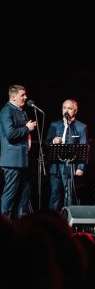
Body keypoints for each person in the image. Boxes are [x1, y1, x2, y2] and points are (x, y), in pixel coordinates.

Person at [0, 85, 37, 219]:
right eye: (22, 95)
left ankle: (22, 222)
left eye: (25, 95)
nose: (25, 97)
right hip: (12, 161)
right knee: (10, 194)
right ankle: (4, 222)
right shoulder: (7, 111)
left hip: (23, 159)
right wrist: (27, 128)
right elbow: (10, 134)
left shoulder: (21, 111)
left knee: (24, 194)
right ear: (14, 97)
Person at [46, 99, 88, 210]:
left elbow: (84, 148)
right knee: (55, 195)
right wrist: (53, 141)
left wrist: (80, 167)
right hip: (55, 166)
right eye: (64, 108)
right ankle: (52, 218)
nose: (66, 110)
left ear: (75, 111)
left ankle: (68, 219)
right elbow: (46, 143)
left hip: (70, 166)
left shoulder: (81, 127)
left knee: (69, 195)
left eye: (69, 108)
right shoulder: (54, 125)